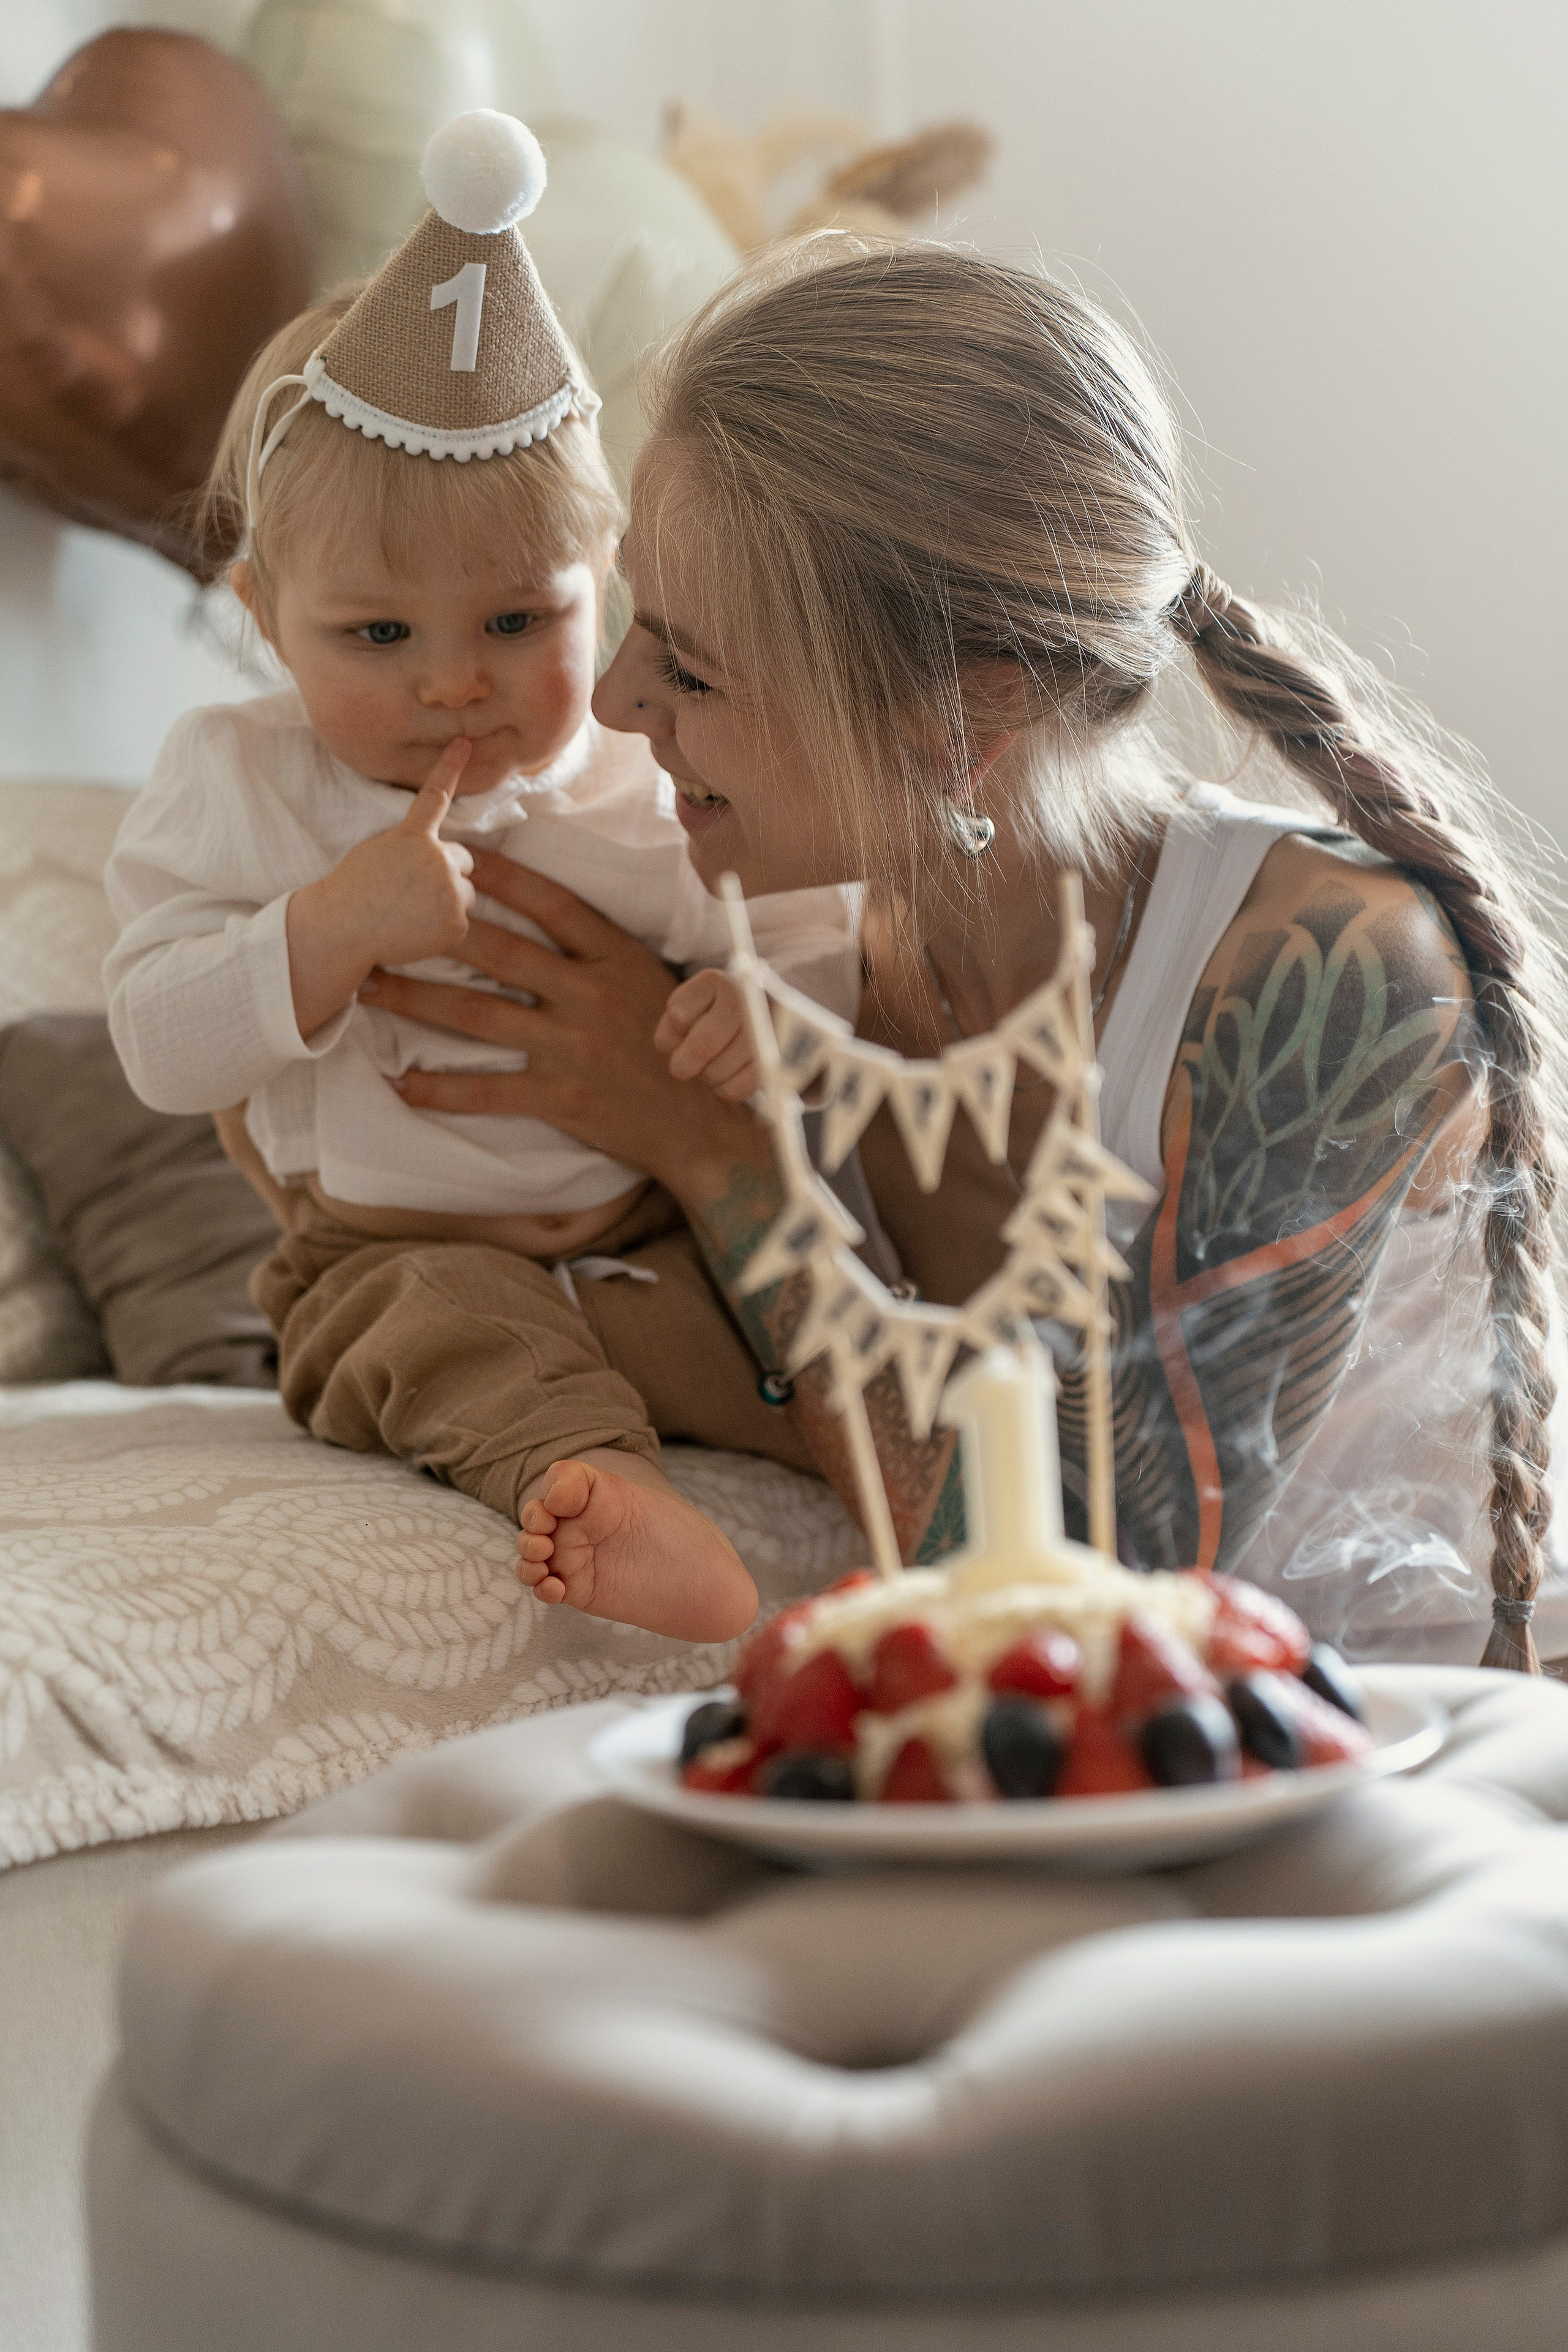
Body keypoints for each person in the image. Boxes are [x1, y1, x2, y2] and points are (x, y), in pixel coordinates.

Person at [361, 235, 1567, 1674]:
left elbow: (1076, 1589)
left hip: (1434, 1771)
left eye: (690, 666)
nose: (616, 702)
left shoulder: (1323, 976)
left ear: (961, 720)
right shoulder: (775, 950)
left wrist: (721, 1161)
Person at [102, 116, 858, 1646]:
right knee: (445, 1340)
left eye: (520, 621)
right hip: (389, 1245)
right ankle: (588, 1482)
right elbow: (157, 1045)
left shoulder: (644, 777)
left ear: (609, 587)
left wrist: (763, 1003)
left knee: (814, 1346)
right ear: (263, 615)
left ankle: (923, 1538)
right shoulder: (244, 783)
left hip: (651, 1231)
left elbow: (821, 928)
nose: (456, 686)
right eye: (376, 638)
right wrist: (322, 933)